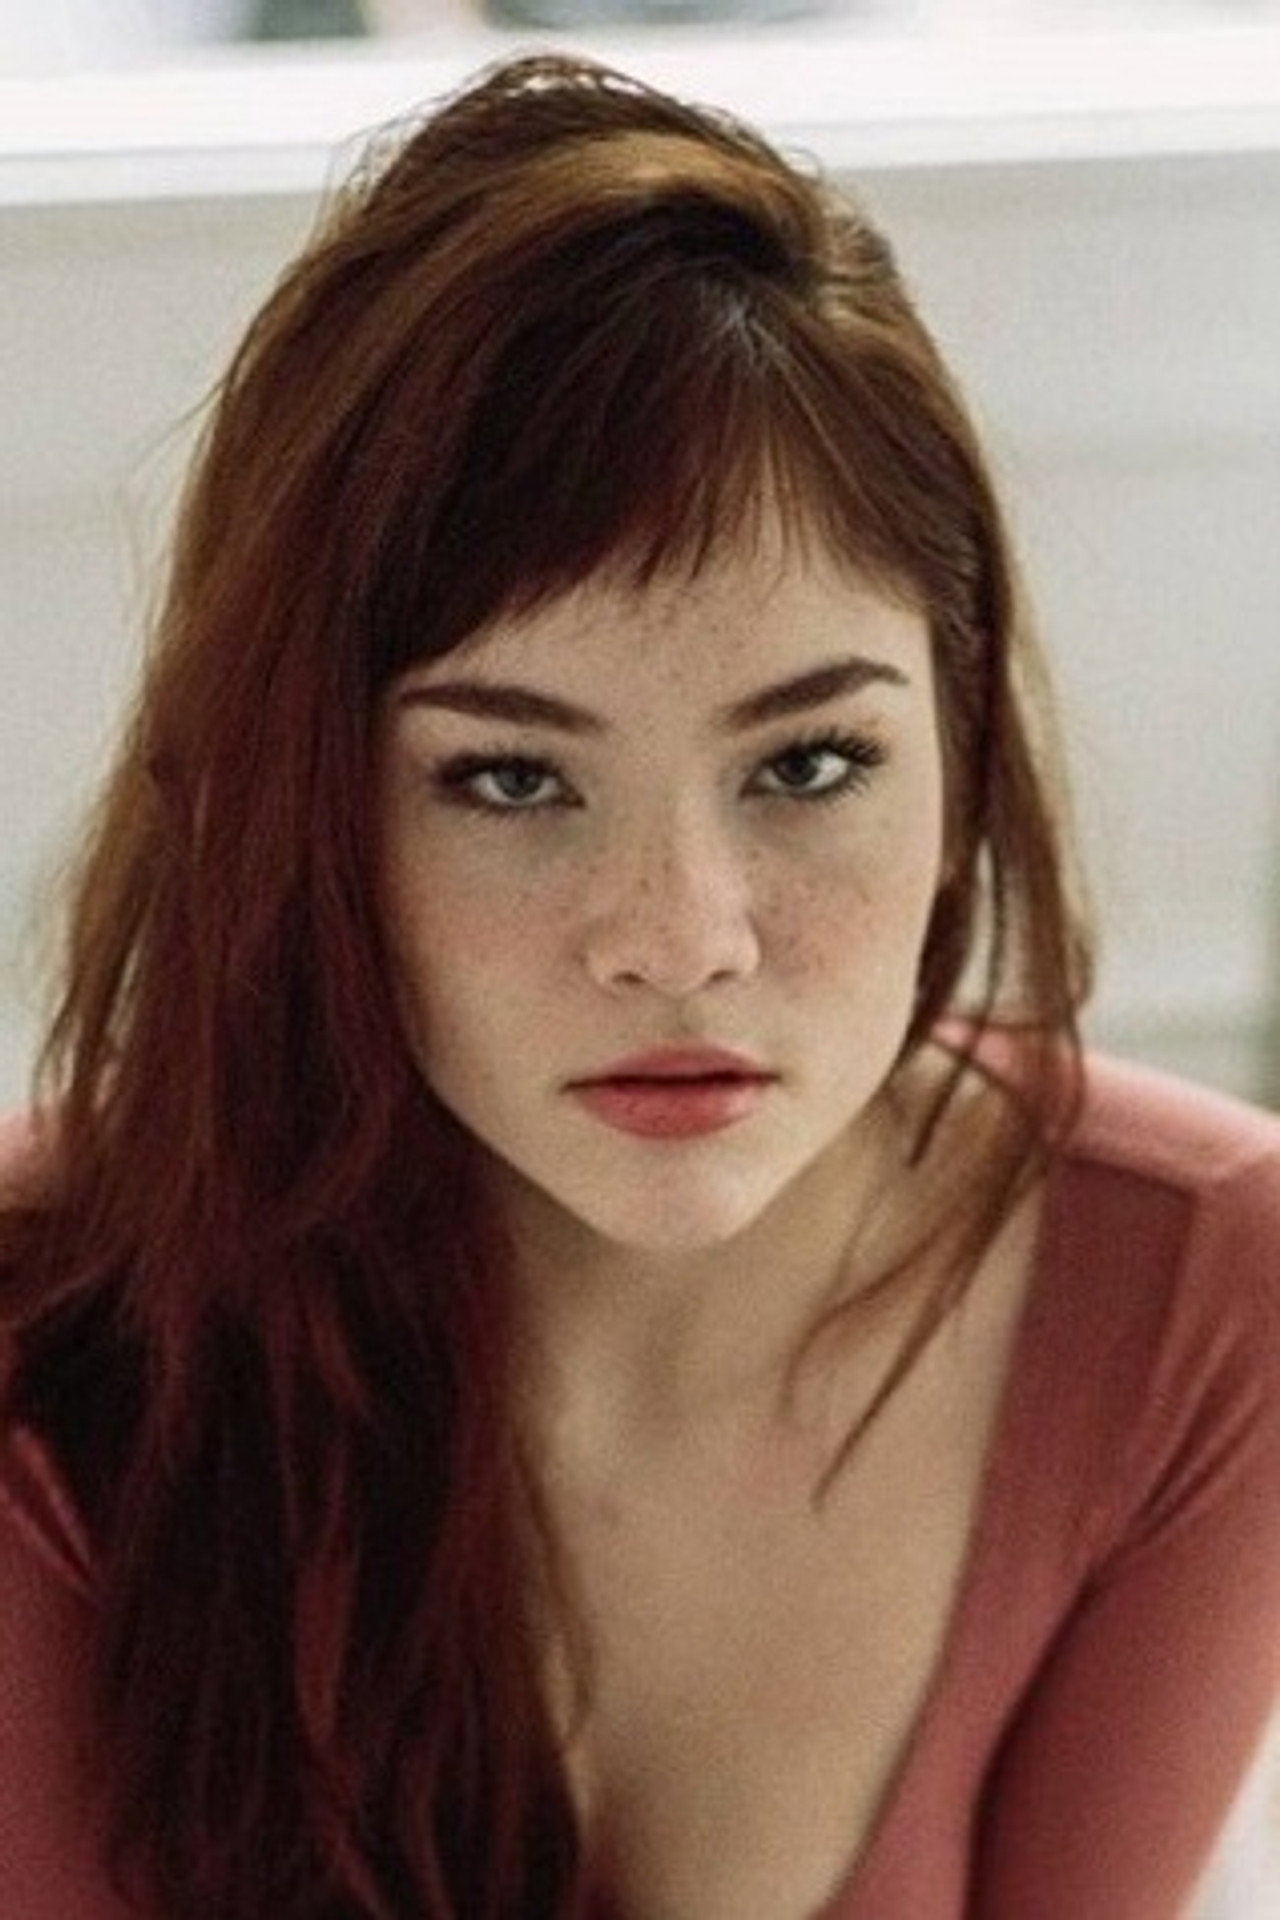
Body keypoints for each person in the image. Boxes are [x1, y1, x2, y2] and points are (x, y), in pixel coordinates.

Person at [1, 50, 1278, 1920]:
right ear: (311, 811)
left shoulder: (1196, 1294)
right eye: (512, 780)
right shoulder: (50, 1336)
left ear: (956, 761)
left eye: (809, 763)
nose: (682, 937)